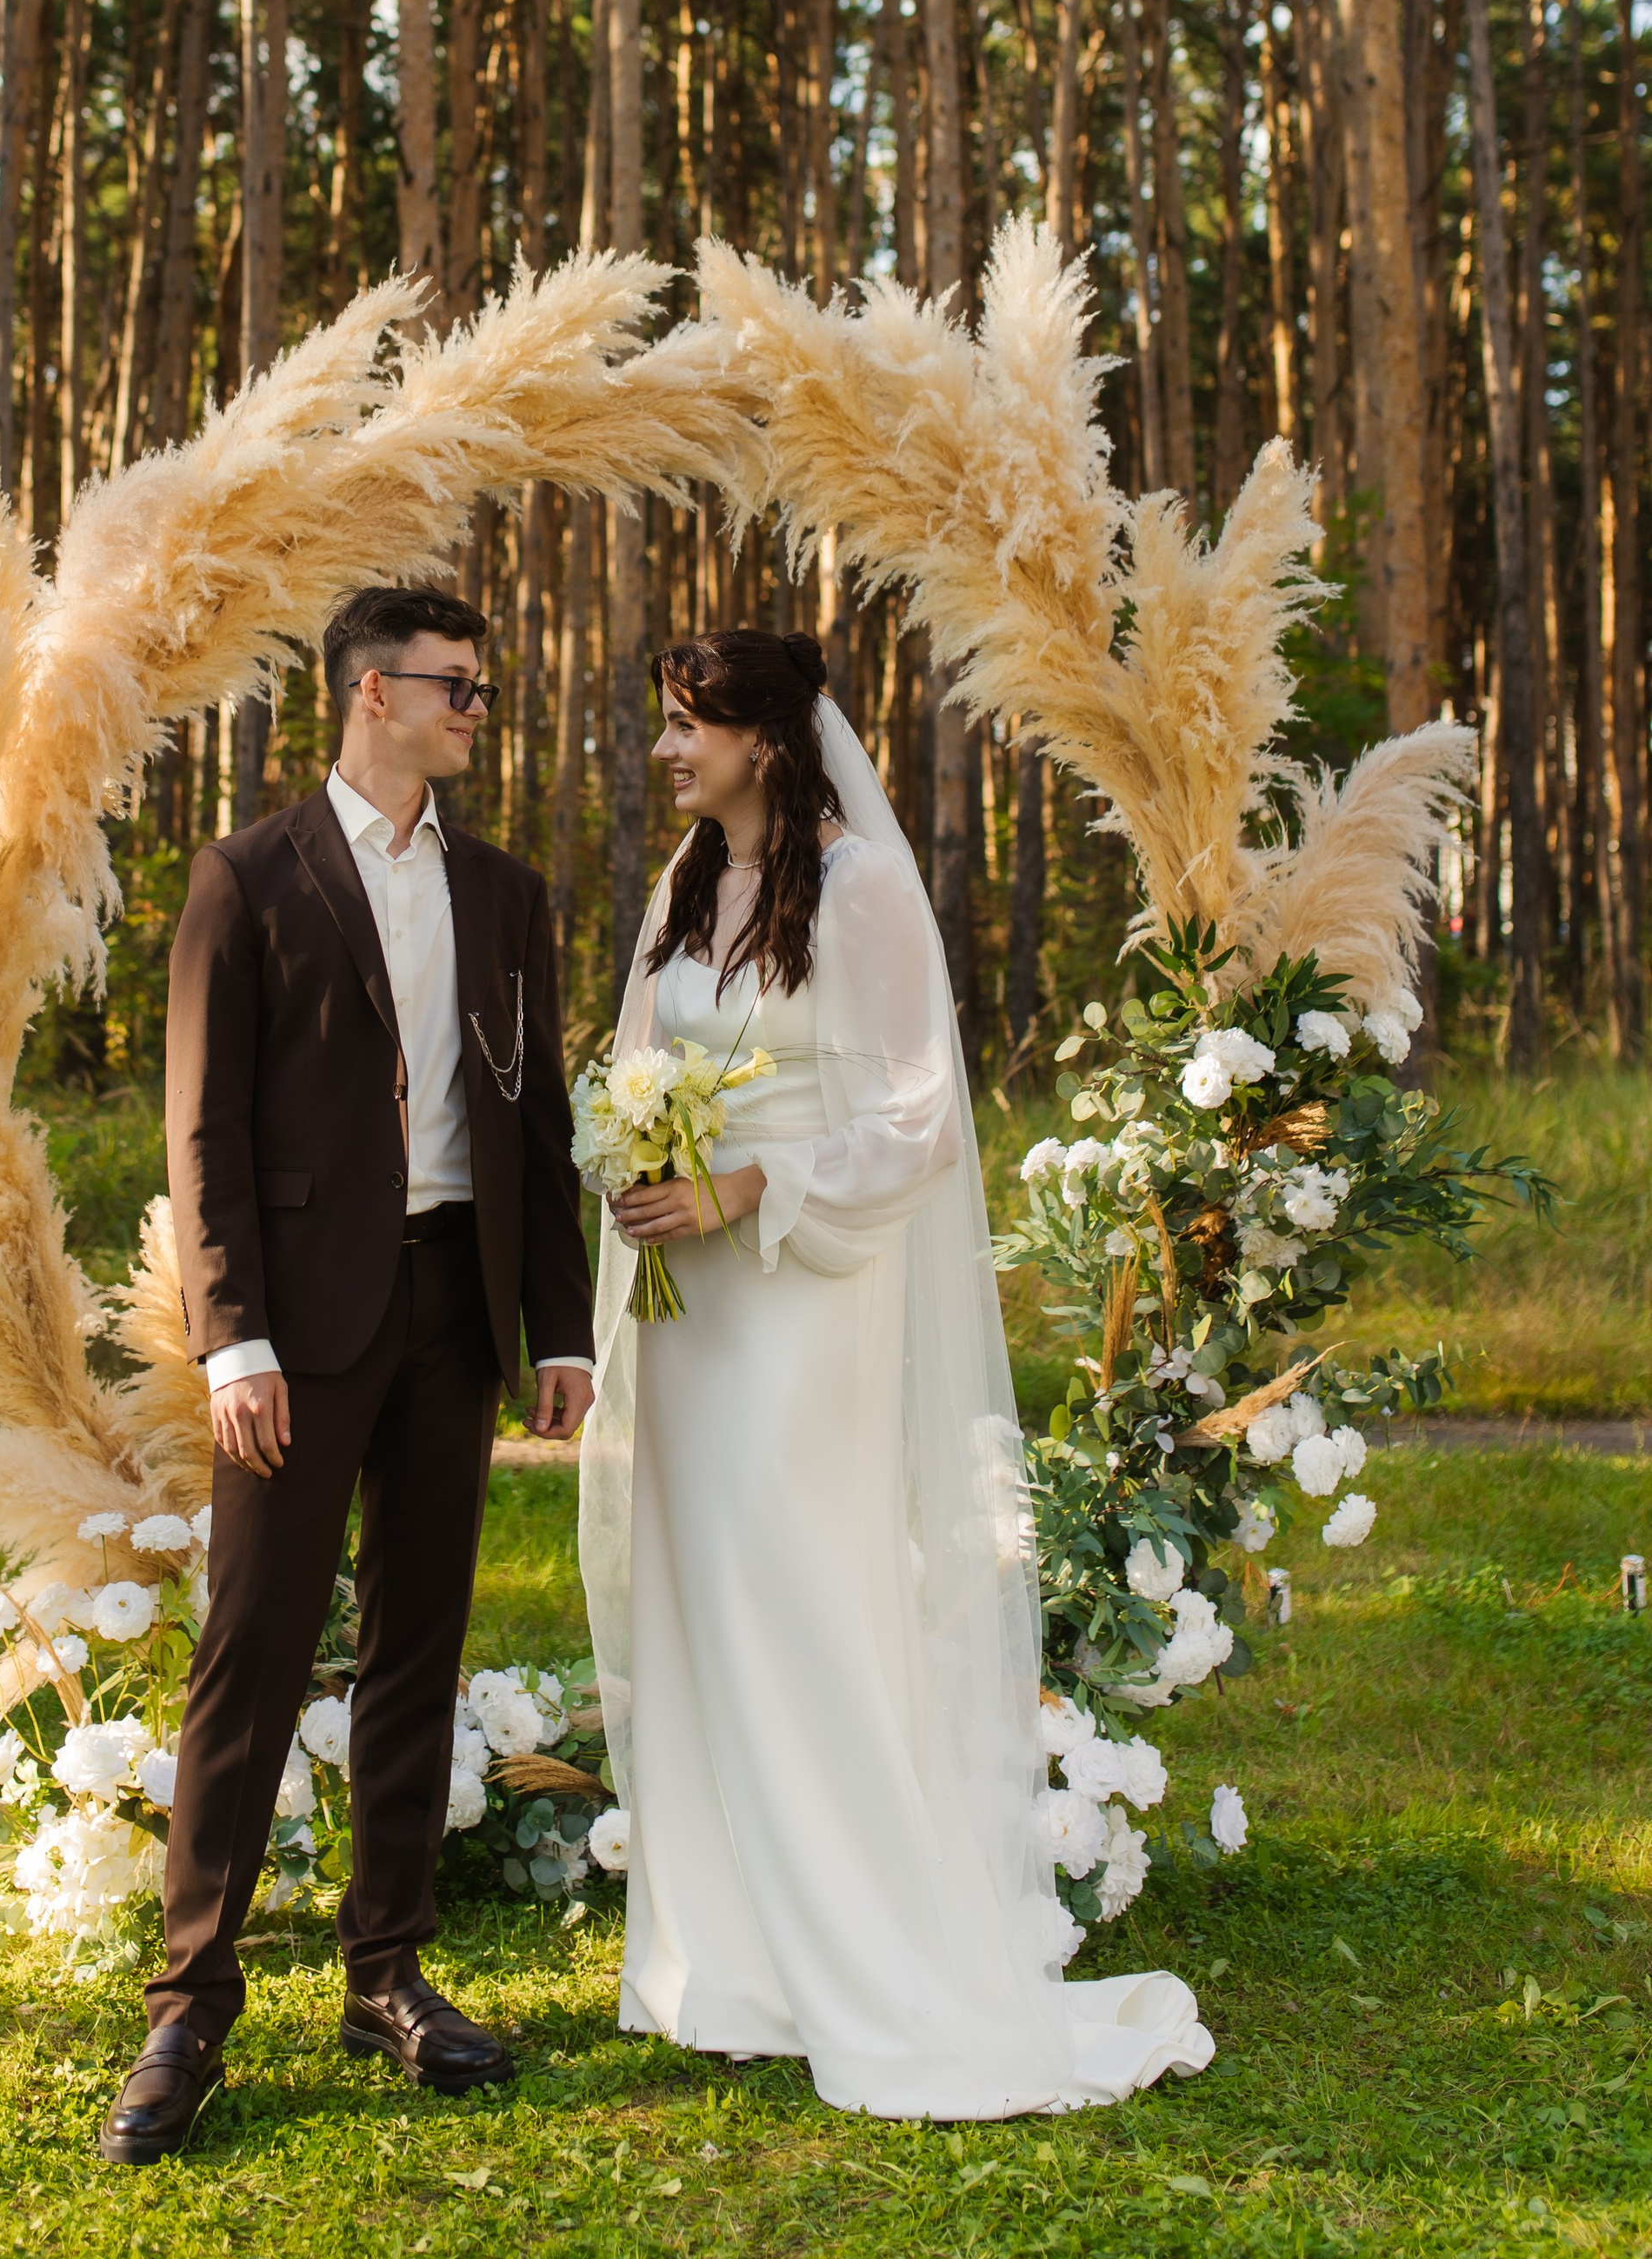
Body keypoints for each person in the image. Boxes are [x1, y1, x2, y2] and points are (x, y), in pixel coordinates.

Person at [577, 626, 1212, 2120]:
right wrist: (641, 1159)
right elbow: (630, 1067)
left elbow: (923, 1122)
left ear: (768, 741)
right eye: (666, 722)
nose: (668, 749)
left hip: (808, 1294)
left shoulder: (856, 889)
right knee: (698, 1597)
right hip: (690, 1316)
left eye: (692, 725)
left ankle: (858, 1956)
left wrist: (743, 1188)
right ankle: (724, 1968)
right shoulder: (680, 887)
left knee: (800, 1595)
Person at [97, 585, 596, 2166]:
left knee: (417, 1647)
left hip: (457, 1303)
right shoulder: (245, 879)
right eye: (459, 687)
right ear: (373, 694)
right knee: (248, 1654)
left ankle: (387, 1975)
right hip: (295, 1332)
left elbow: (539, 1120)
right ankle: (191, 2003)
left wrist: (559, 1326)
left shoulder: (507, 894)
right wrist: (229, 1333)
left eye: (480, 688)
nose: (478, 710)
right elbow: (206, 1128)